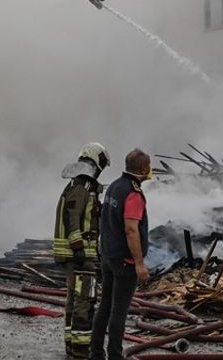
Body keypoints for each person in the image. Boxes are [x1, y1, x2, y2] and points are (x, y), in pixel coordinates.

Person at [89, 149, 152, 360]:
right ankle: (115, 355)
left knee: (105, 306)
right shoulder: (133, 193)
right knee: (119, 311)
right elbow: (131, 229)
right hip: (124, 261)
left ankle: (96, 352)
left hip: (108, 256)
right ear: (144, 169)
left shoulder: (114, 186)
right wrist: (139, 263)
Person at [53, 143, 110, 357]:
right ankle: (80, 349)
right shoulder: (82, 186)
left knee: (74, 298)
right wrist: (78, 246)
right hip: (78, 253)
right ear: (96, 161)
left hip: (74, 253)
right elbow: (72, 216)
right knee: (85, 299)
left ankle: (71, 343)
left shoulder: (78, 184)